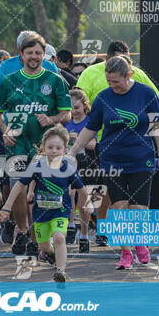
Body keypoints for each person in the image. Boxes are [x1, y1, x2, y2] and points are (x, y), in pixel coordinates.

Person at [68, 55, 159, 270]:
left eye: (117, 82)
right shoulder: (103, 98)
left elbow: (157, 126)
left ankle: (140, 242)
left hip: (142, 158)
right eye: (109, 81)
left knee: (138, 207)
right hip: (112, 159)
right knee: (119, 207)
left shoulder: (146, 93)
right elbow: (91, 128)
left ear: (129, 75)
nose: (113, 86)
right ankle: (125, 253)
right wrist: (73, 151)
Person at [0, 33, 72, 255]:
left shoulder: (54, 79)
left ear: (43, 55)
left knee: (42, 192)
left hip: (45, 147)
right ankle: (23, 231)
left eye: (38, 52)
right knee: (18, 187)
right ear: (21, 55)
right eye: (30, 53)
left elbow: (66, 114)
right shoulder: (9, 81)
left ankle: (41, 238)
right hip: (16, 143)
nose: (34, 56)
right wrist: (5, 129)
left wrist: (52, 119)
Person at [0, 125, 87, 282]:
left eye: (58, 148)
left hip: (61, 212)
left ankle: (61, 271)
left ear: (65, 149)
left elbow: (81, 189)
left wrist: (87, 204)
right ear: (43, 148)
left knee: (59, 237)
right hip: (41, 214)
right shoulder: (36, 167)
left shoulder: (69, 169)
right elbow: (19, 185)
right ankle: (52, 255)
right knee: (44, 247)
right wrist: (7, 207)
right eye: (50, 147)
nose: (54, 151)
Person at [64, 89, 96, 253]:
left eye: (76, 108)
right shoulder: (65, 121)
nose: (73, 112)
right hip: (68, 162)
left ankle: (84, 236)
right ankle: (70, 226)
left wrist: (79, 140)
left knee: (84, 201)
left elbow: (93, 145)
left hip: (87, 163)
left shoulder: (89, 121)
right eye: (70, 108)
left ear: (84, 106)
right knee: (68, 193)